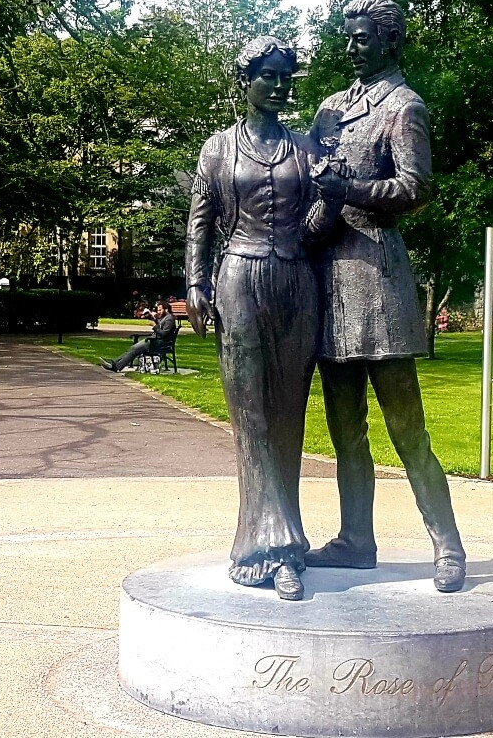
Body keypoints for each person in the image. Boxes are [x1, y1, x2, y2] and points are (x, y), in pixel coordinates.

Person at [306, 0, 467, 592]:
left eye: (364, 37)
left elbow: (415, 189)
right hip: (331, 280)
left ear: (390, 41)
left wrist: (351, 186)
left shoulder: (404, 107)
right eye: (349, 36)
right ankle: (355, 540)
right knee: (344, 427)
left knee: (406, 426)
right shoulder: (329, 109)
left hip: (377, 278)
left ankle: (447, 544)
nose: (353, 47)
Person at [184, 36, 339, 601]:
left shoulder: (305, 149)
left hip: (296, 282)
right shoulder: (218, 149)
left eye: (286, 77)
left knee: (288, 416)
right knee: (251, 415)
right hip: (240, 277)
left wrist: (332, 199)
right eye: (268, 75)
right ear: (245, 80)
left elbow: (317, 230)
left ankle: (285, 542)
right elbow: (200, 221)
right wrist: (196, 282)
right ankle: (266, 550)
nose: (278, 85)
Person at [101, 300, 175, 372]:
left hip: (158, 343)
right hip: (155, 341)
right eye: (158, 310)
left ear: (166, 309)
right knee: (133, 349)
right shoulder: (165, 318)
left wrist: (155, 326)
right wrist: (154, 319)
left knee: (134, 349)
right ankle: (114, 364)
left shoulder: (169, 319)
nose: (158, 312)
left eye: (160, 310)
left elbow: (163, 334)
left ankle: (115, 365)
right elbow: (160, 328)